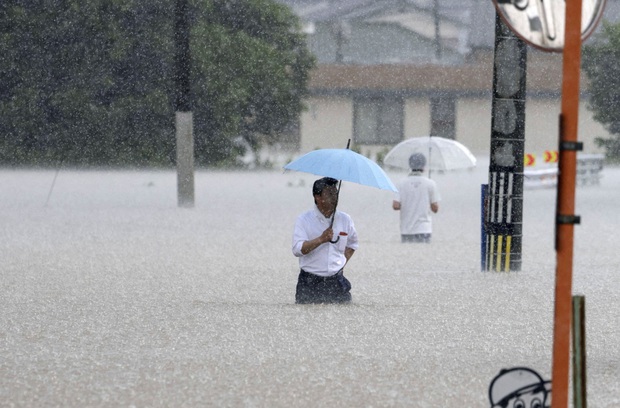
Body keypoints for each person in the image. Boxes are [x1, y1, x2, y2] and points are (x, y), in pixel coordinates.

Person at [292, 177, 358, 304]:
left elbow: (352, 244)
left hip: (336, 281)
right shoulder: (304, 220)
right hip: (310, 282)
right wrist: (321, 239)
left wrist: (340, 264)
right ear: (318, 197)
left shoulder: (345, 219)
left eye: (336, 193)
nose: (335, 197)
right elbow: (297, 249)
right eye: (330, 194)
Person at [392, 153, 440, 243]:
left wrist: (409, 202)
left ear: (410, 165)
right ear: (424, 166)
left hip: (406, 229)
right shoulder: (430, 184)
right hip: (424, 229)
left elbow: (395, 206)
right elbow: (435, 209)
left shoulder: (401, 183)